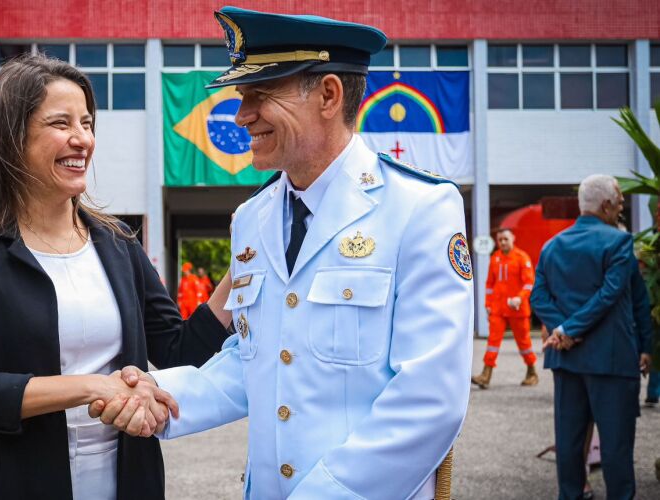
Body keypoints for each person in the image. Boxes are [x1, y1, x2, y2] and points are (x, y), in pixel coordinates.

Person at [92, 7, 473, 499]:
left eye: (260, 94)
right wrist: (164, 395)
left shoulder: (418, 208)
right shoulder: (253, 219)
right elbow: (255, 360)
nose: (241, 114)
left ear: (329, 96)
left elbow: (429, 399)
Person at [0, 54, 233, 499]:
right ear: (10, 138)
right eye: (61, 123)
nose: (82, 139)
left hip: (123, 481)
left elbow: (179, 349)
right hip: (8, 483)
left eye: (87, 123)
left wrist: (242, 264)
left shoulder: (118, 241)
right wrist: (91, 387)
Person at [530, 174, 653, 500]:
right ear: (606, 205)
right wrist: (568, 329)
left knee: (569, 442)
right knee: (615, 446)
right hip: (610, 361)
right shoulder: (619, 243)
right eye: (621, 202)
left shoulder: (551, 245)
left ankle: (570, 495)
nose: (622, 209)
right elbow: (611, 294)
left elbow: (539, 298)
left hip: (566, 360)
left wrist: (562, 329)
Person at [472, 228, 538, 388]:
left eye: (505, 239)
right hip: (498, 309)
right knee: (493, 342)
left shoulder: (522, 258)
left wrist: (519, 298)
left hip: (518, 309)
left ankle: (532, 372)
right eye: (500, 239)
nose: (502, 242)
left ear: (513, 239)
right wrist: (487, 304)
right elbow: (489, 284)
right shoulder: (495, 258)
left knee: (524, 343)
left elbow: (529, 283)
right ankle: (485, 375)